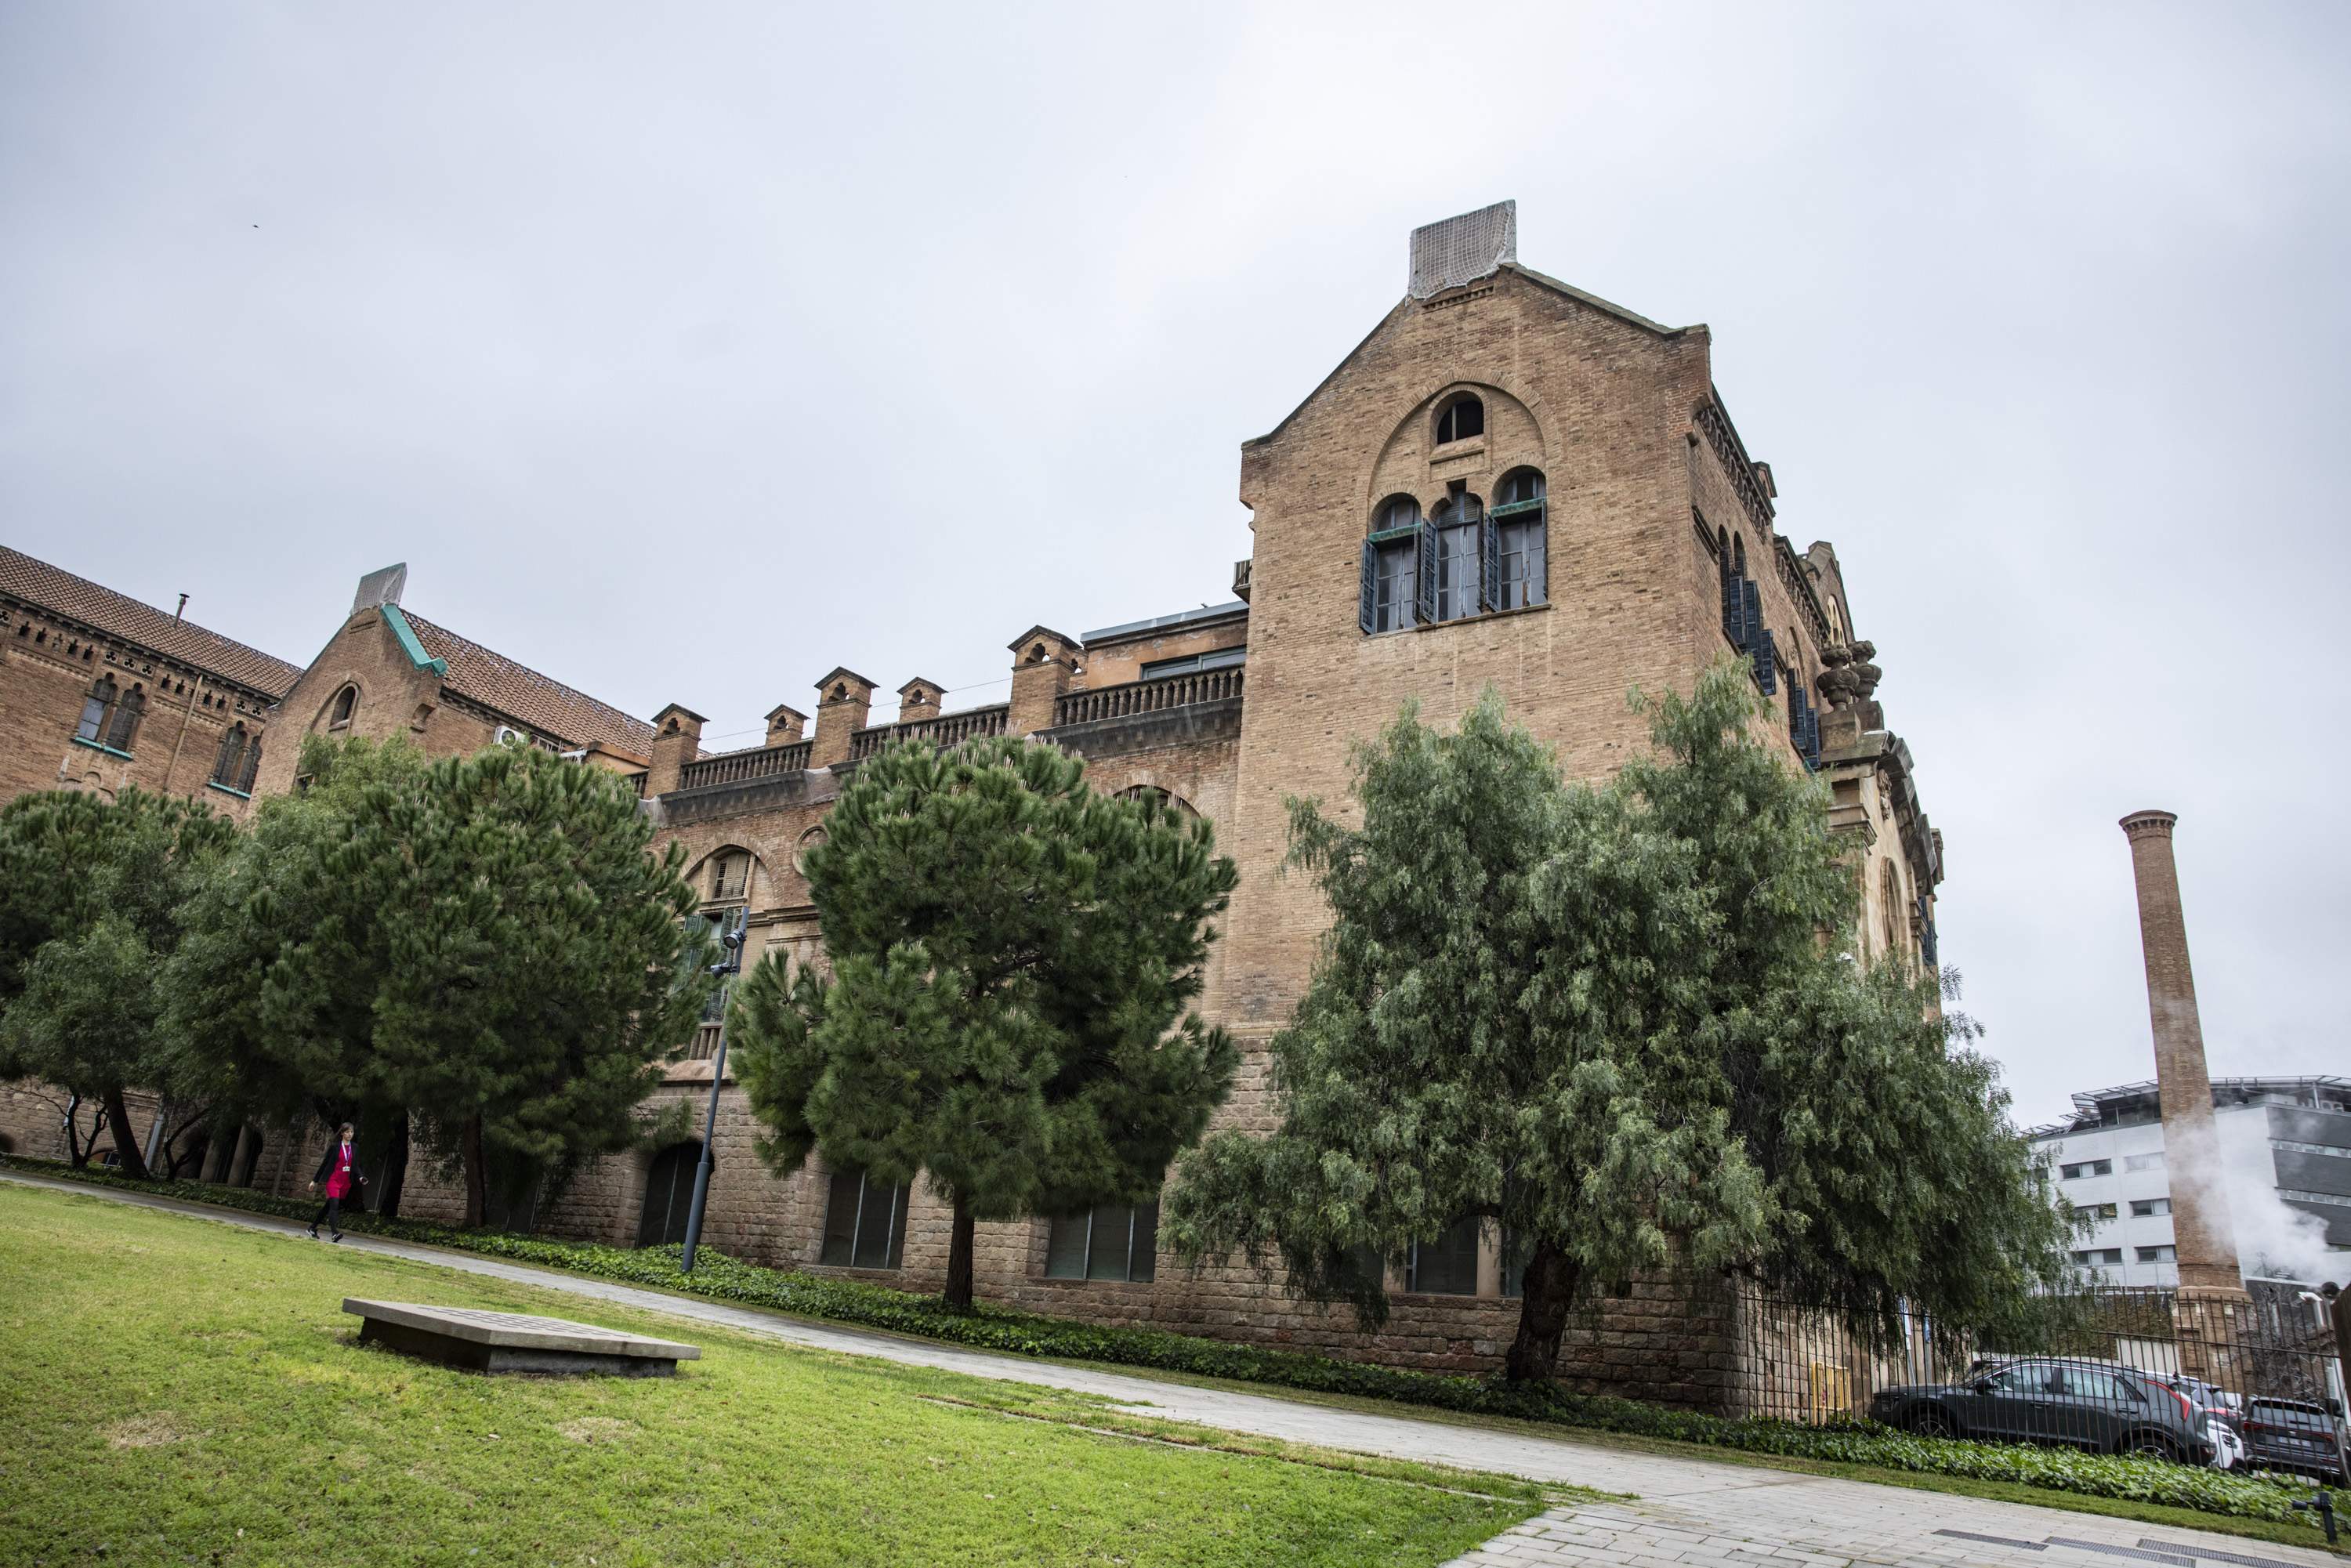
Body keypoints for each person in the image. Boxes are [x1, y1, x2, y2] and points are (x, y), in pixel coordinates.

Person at [308, 1123, 365, 1241]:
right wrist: (315, 1181)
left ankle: (312, 1228)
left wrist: (360, 1177)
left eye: (352, 1132)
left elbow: (355, 1166)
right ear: (342, 1133)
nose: (350, 1134)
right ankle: (335, 1233)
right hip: (333, 1179)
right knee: (334, 1205)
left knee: (328, 1206)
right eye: (348, 1132)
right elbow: (325, 1164)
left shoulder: (355, 1147)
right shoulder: (335, 1146)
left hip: (345, 1182)